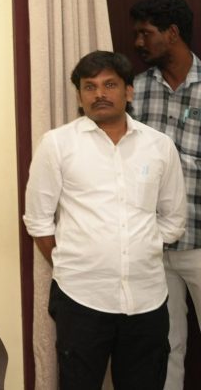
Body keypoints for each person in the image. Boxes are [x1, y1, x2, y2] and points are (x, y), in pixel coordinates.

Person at [24, 50, 186, 390]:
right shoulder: (57, 144)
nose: (99, 94)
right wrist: (75, 262)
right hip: (81, 299)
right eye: (89, 87)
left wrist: (143, 248)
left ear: (129, 91)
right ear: (80, 96)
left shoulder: (159, 146)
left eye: (109, 84)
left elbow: (173, 219)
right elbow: (38, 221)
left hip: (147, 299)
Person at [129, 0, 201, 390]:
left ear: (172, 33)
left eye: (146, 33)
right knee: (165, 344)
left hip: (200, 242)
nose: (138, 42)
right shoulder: (135, 91)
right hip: (153, 245)